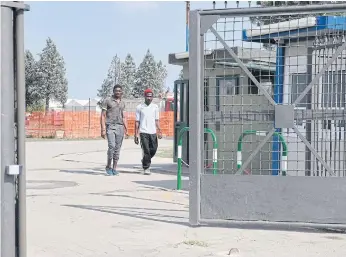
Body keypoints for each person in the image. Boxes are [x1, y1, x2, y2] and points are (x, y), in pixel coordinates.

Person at [100, 84, 128, 176]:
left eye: (120, 91)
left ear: (122, 92)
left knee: (117, 148)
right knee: (111, 146)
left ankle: (114, 168)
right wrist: (103, 129)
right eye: (116, 91)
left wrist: (126, 129)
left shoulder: (123, 103)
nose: (118, 92)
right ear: (113, 91)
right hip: (110, 126)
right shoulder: (107, 101)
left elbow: (124, 117)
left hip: (120, 127)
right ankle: (108, 166)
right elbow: (103, 116)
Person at [134, 88, 162, 175]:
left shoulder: (155, 107)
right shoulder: (139, 107)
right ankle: (146, 168)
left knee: (153, 149)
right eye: (147, 96)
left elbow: (156, 120)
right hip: (143, 132)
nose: (149, 98)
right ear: (145, 96)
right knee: (146, 150)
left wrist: (159, 130)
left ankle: (145, 159)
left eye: (151, 96)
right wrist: (136, 134)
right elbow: (137, 122)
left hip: (153, 132)